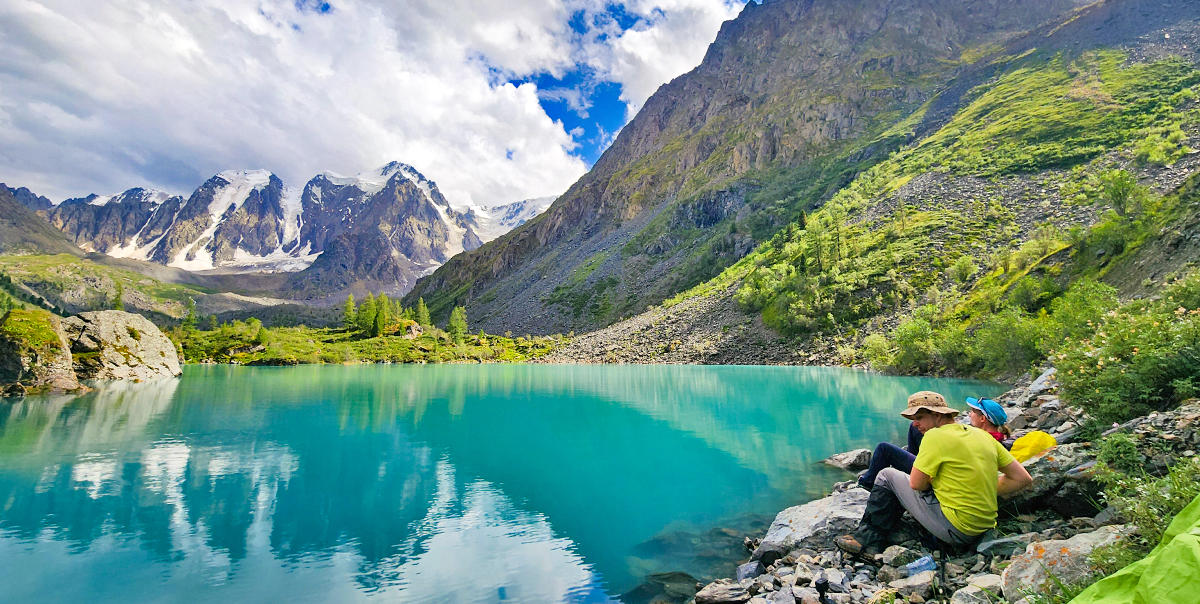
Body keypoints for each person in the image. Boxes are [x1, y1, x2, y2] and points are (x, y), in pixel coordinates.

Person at [835, 391, 1033, 557]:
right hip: (984, 526)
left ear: (937, 415)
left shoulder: (934, 436)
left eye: (919, 418)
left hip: (957, 530)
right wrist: (983, 488)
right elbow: (1023, 478)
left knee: (887, 475)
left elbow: (917, 484)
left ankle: (866, 540)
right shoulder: (981, 435)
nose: (914, 424)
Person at [856, 419, 923, 490]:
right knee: (914, 426)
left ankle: (868, 484)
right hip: (920, 466)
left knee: (883, 449)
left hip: (923, 471)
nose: (916, 422)